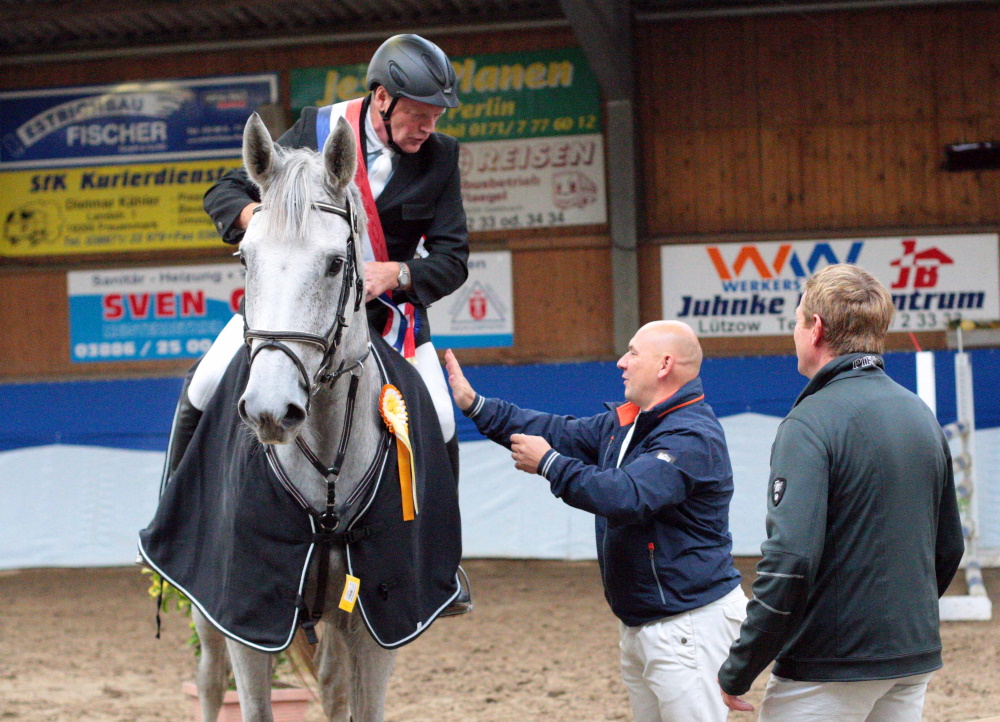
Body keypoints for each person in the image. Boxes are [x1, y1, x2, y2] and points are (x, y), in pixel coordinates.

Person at [165, 33, 471, 612]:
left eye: (436, 116)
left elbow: (452, 257)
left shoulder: (441, 158)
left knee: (441, 417)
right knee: (203, 384)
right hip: (295, 307)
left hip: (387, 319)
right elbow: (226, 192)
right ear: (382, 98)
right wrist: (269, 219)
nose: (428, 126)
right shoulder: (318, 126)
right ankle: (174, 528)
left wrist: (398, 273)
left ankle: (439, 565)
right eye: (419, 114)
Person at [445, 320, 747, 722]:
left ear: (664, 365)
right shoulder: (632, 422)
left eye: (633, 353)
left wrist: (550, 464)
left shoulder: (690, 434)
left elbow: (625, 496)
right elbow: (555, 430)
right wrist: (477, 406)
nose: (622, 362)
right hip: (654, 623)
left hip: (688, 625)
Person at [718, 263, 965, 720]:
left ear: (815, 328)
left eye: (796, 321)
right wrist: (899, 625)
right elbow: (949, 546)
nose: (793, 332)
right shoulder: (919, 414)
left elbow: (790, 562)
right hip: (910, 658)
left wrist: (739, 667)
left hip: (828, 666)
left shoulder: (810, 421)